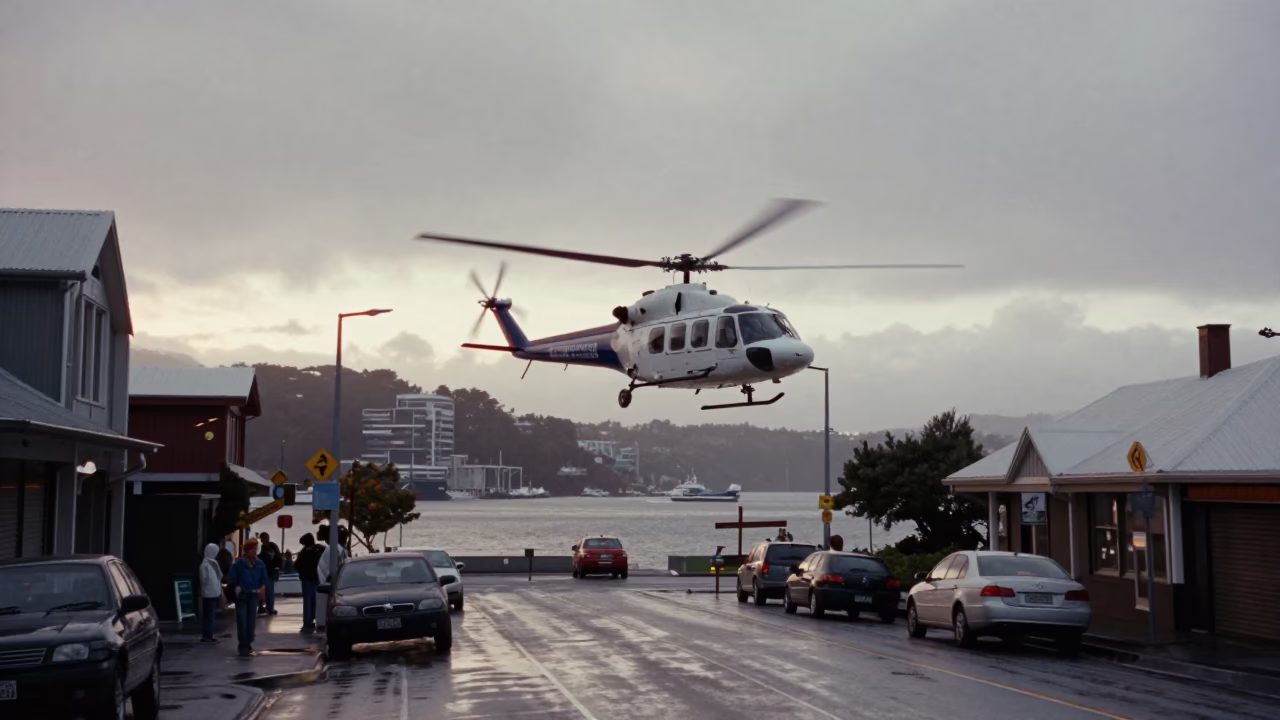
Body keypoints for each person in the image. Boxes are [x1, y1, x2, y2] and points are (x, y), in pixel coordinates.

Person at [228, 537, 269, 657]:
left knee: (251, 621)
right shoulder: (240, 563)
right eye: (252, 549)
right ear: (246, 551)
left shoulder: (260, 564)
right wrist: (236, 586)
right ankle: (243, 645)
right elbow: (232, 577)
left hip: (254, 595)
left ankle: (249, 642)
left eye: (256, 549)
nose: (254, 552)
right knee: (242, 620)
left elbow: (264, 579)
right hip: (242, 596)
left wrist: (263, 588)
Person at [316, 527, 349, 631]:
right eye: (343, 536)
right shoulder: (335, 549)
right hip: (329, 583)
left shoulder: (340, 549)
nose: (345, 539)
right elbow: (331, 568)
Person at [294, 533, 324, 633]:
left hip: (306, 579)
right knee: (315, 601)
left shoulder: (304, 552)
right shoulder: (318, 550)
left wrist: (302, 573)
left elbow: (297, 564)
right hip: (315, 578)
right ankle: (314, 618)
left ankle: (307, 622)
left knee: (307, 601)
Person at [198, 543, 223, 643]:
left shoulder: (213, 563)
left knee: (211, 615)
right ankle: (207, 635)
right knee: (209, 615)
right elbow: (203, 580)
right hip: (209, 593)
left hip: (214, 592)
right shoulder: (205, 565)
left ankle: (209, 634)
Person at [258, 532, 283, 616]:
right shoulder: (272, 546)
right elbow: (279, 558)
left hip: (268, 571)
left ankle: (266, 607)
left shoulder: (267, 547)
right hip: (270, 571)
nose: (261, 540)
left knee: (266, 590)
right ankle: (268, 608)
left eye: (262, 538)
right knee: (268, 590)